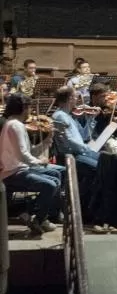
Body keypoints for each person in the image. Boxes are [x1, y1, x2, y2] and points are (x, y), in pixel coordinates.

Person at [0, 93, 62, 234]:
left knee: (57, 174)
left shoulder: (16, 124)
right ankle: (37, 218)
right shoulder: (15, 125)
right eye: (29, 108)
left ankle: (35, 214)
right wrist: (40, 162)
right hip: (12, 172)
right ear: (23, 108)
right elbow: (23, 155)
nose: (31, 111)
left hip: (20, 168)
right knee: (50, 184)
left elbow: (30, 152)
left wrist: (46, 141)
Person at [50, 86, 100, 174]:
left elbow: (84, 136)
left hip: (80, 152)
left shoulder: (69, 116)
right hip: (71, 156)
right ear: (70, 98)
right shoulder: (59, 116)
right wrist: (87, 149)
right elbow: (69, 141)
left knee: (107, 161)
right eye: (76, 97)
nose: (77, 99)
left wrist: (91, 119)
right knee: (100, 167)